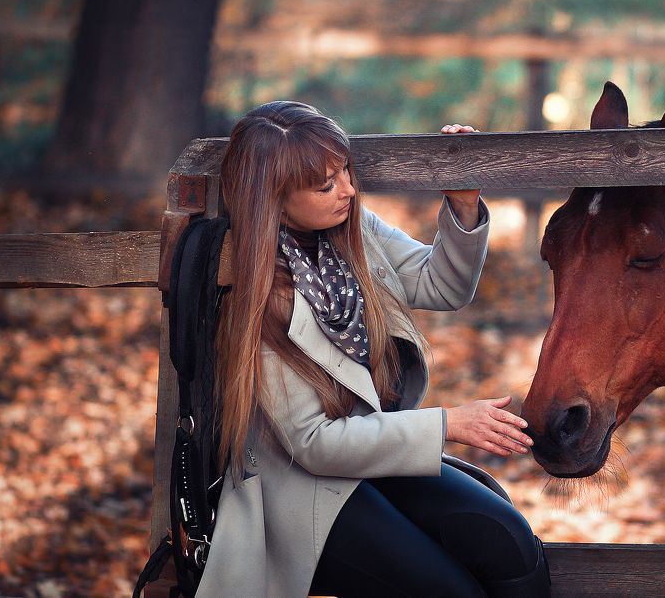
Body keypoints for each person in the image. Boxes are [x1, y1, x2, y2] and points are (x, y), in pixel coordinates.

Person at [195, 101, 551, 597]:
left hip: (374, 456)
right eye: (325, 185)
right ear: (273, 201)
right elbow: (314, 445)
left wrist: (463, 204)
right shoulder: (254, 296)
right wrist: (450, 424)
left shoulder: (352, 230)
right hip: (300, 491)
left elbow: (441, 286)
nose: (348, 190)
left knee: (508, 542)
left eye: (345, 171)